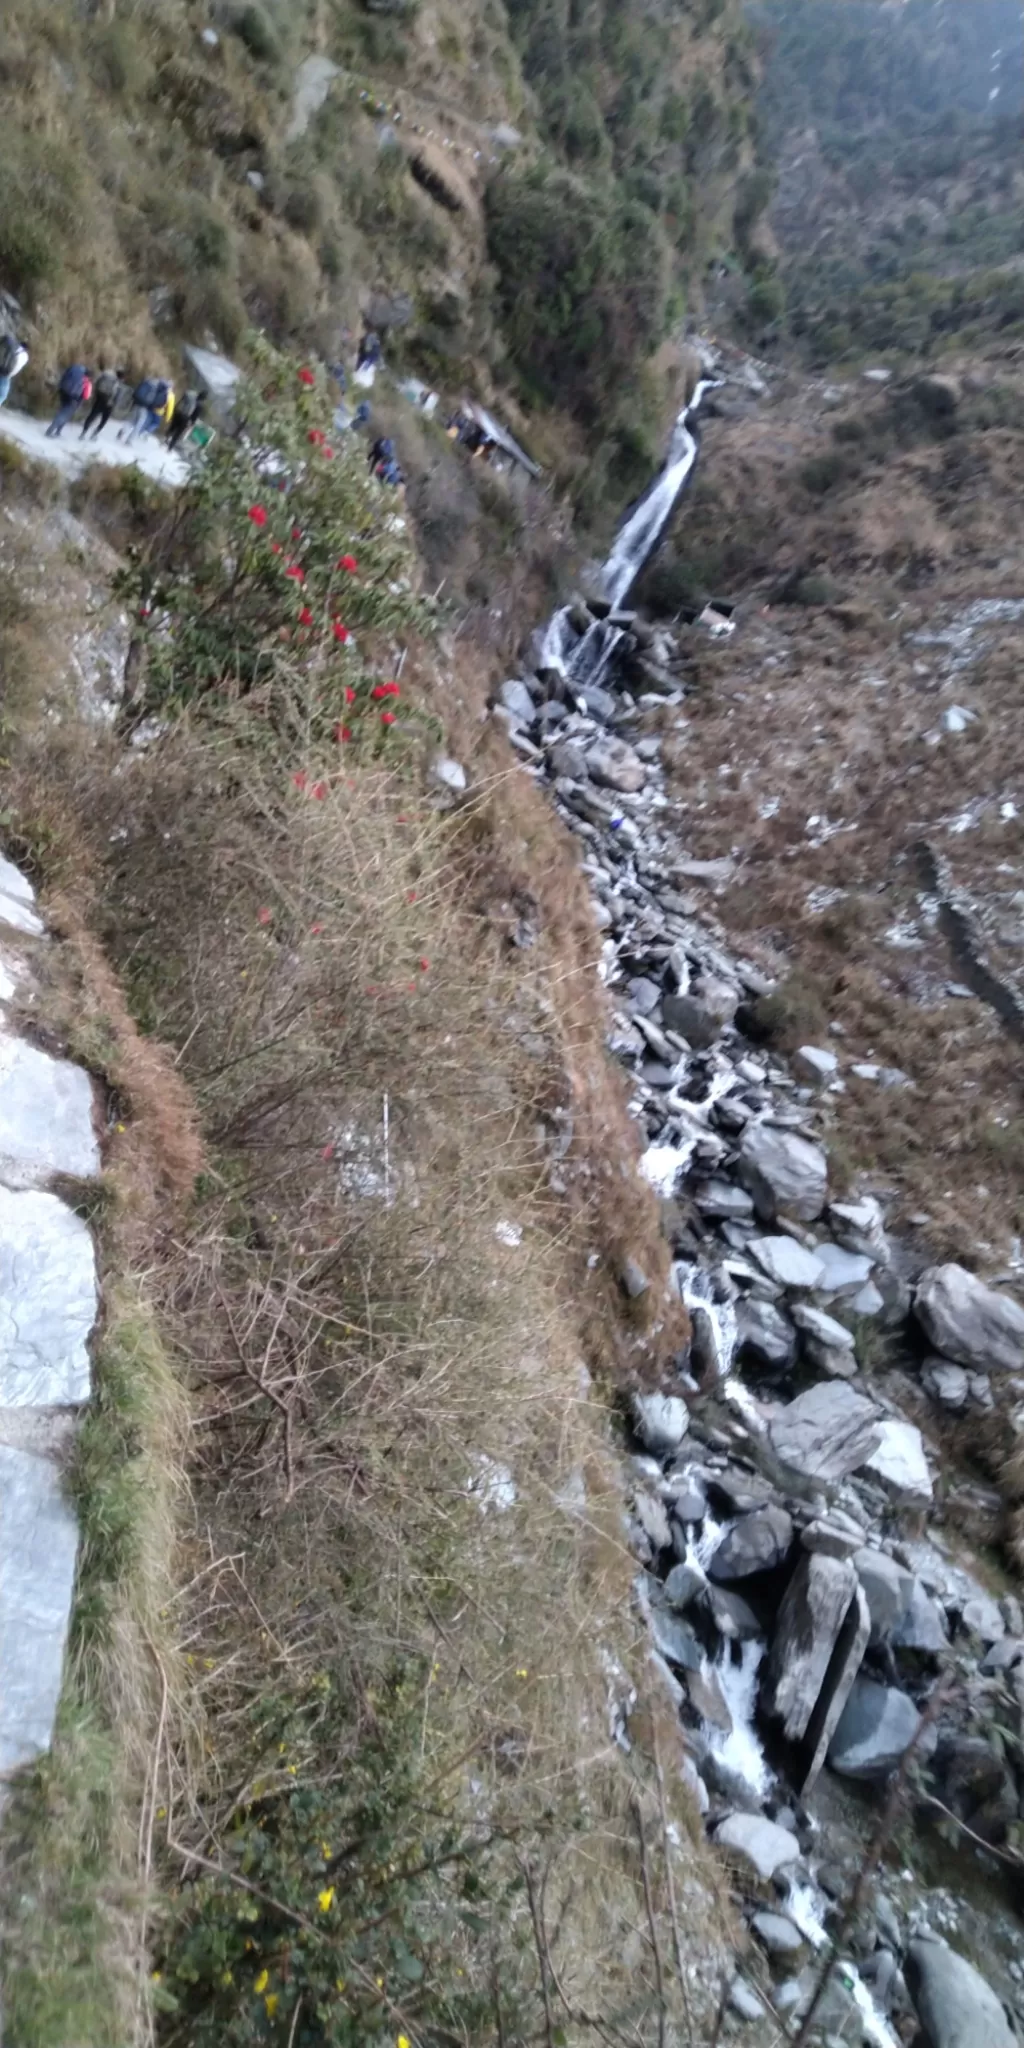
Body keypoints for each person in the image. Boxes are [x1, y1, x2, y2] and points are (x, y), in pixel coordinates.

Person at [80, 367, 126, 439]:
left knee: (91, 416)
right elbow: (118, 397)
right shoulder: (119, 384)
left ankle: (83, 433)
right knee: (103, 421)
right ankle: (94, 435)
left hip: (100, 399)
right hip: (109, 404)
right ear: (122, 377)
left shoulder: (106, 377)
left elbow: (97, 385)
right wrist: (114, 405)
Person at [46, 362, 90, 437]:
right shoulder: (86, 382)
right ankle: (51, 430)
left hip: (63, 391)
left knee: (63, 410)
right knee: (65, 414)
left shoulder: (73, 370)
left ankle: (58, 432)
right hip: (74, 398)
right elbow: (86, 396)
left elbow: (63, 377)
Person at [0, 333, 28, 410]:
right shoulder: (25, 356)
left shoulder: (14, 346)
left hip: (1, 368)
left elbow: (7, 337)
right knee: (2, 395)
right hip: (6, 374)